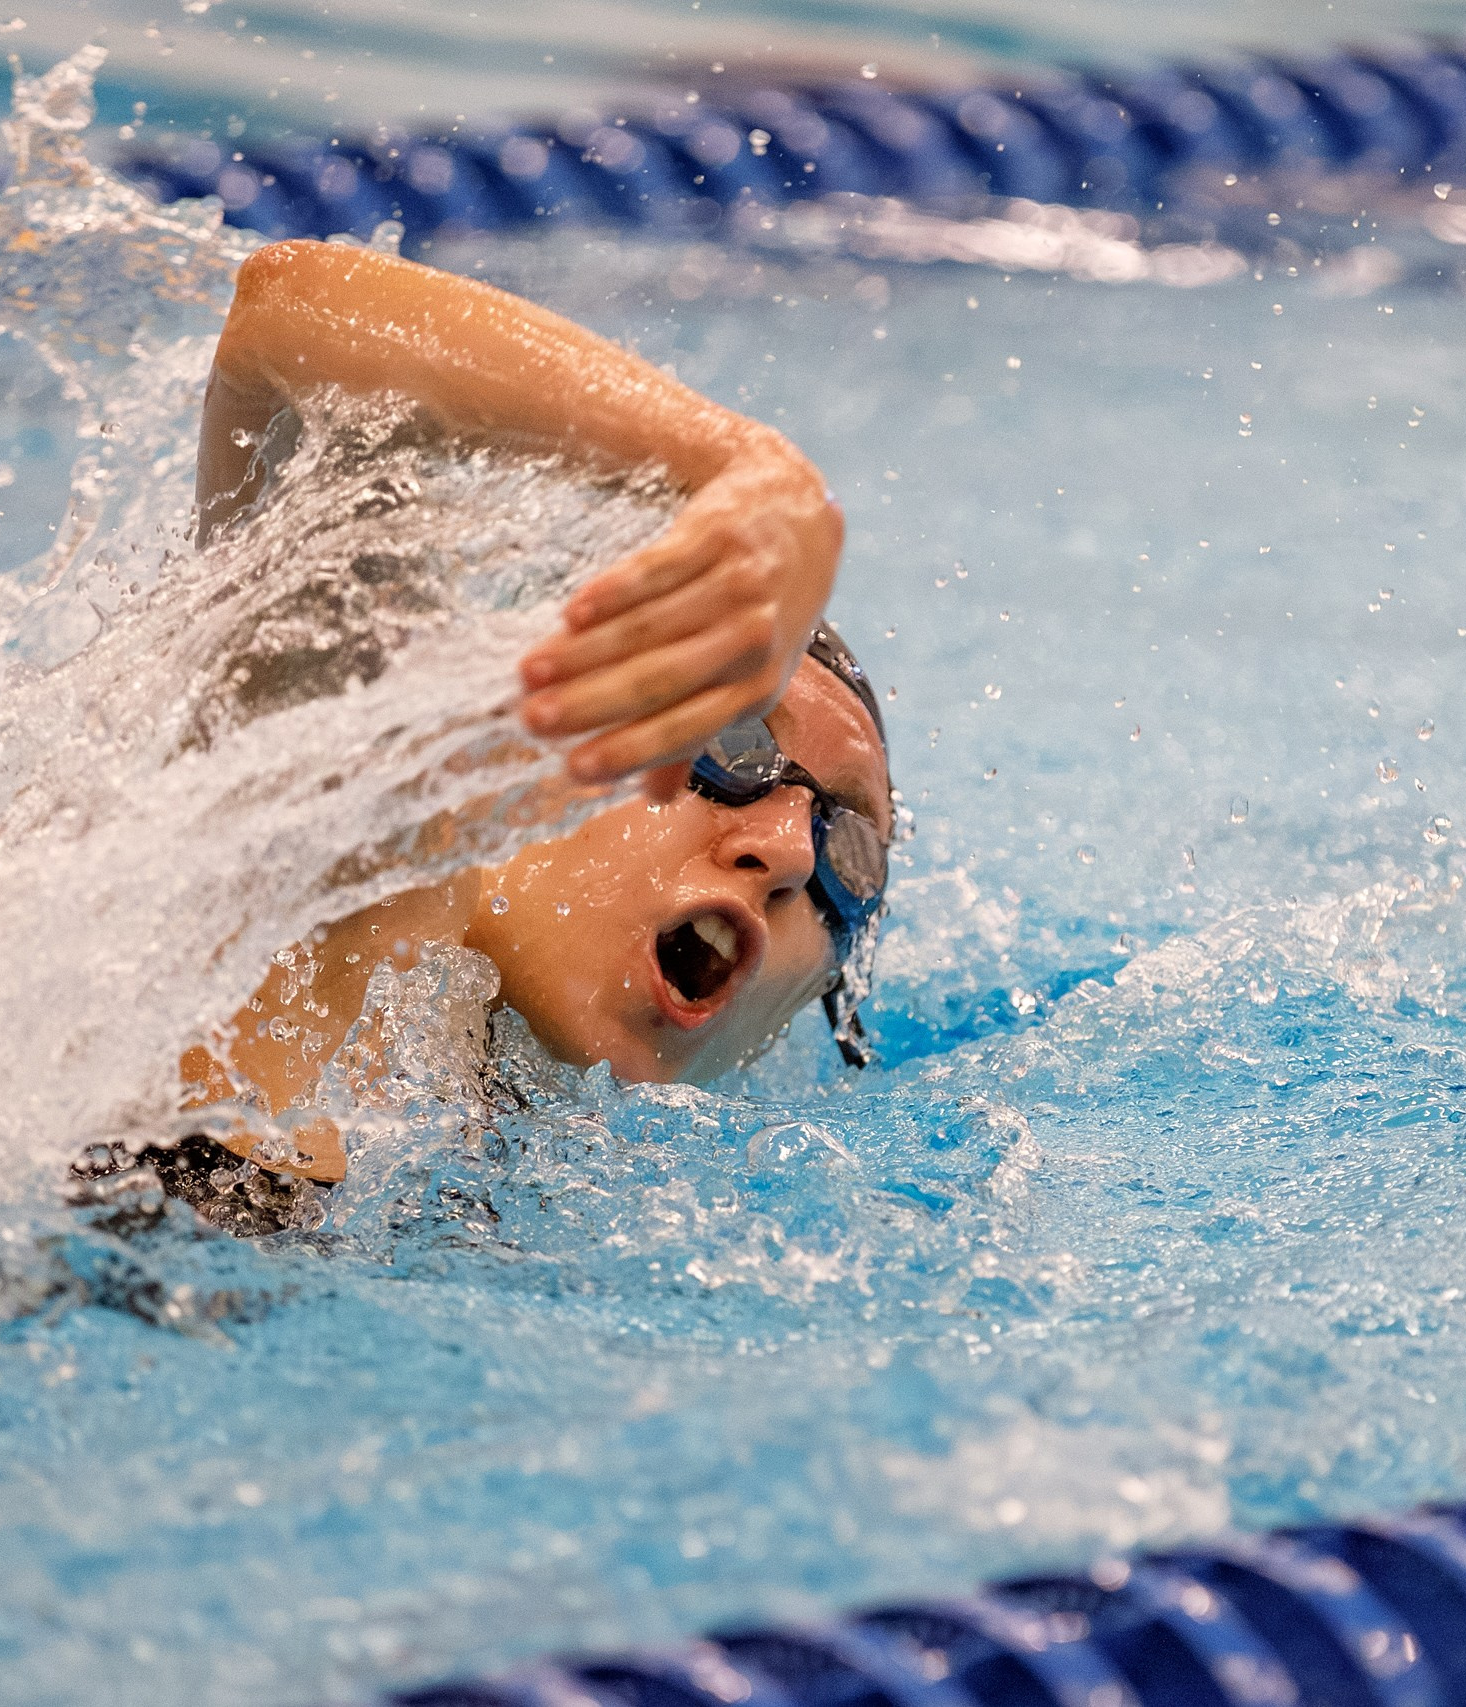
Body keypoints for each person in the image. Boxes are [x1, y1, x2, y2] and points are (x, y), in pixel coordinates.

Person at [76, 241, 898, 1234]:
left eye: (851, 841)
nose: (787, 849)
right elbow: (287, 315)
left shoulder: (504, 1170)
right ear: (524, 722)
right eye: (728, 736)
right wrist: (755, 477)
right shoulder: (338, 855)